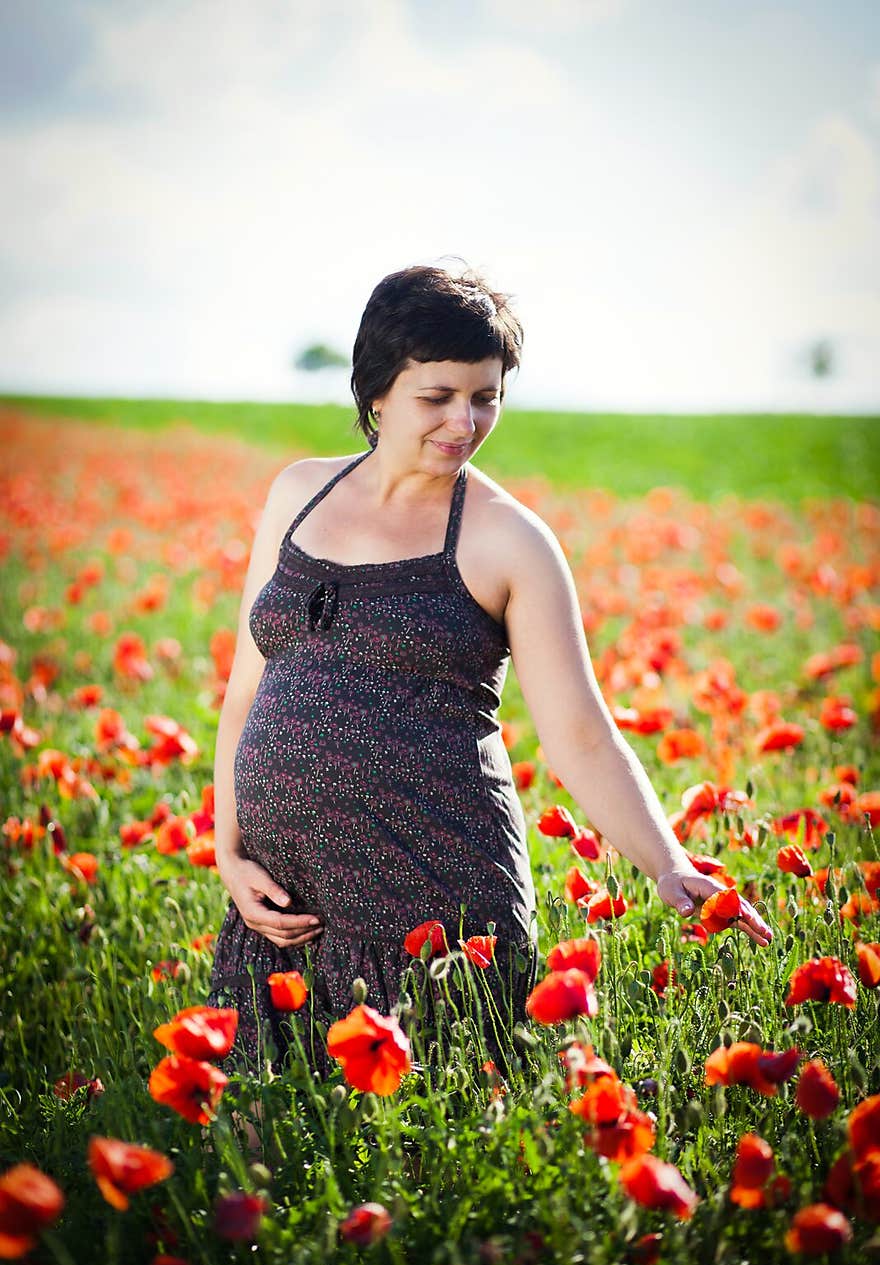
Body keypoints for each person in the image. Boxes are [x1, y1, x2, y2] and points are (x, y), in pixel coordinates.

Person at [207, 262, 772, 1090]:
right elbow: (247, 691)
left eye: (486, 396)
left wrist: (665, 861)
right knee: (263, 1160)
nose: (464, 421)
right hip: (281, 907)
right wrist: (228, 847)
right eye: (436, 397)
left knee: (417, 1158)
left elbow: (579, 734)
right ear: (375, 393)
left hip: (433, 916)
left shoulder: (509, 541)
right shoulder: (298, 492)